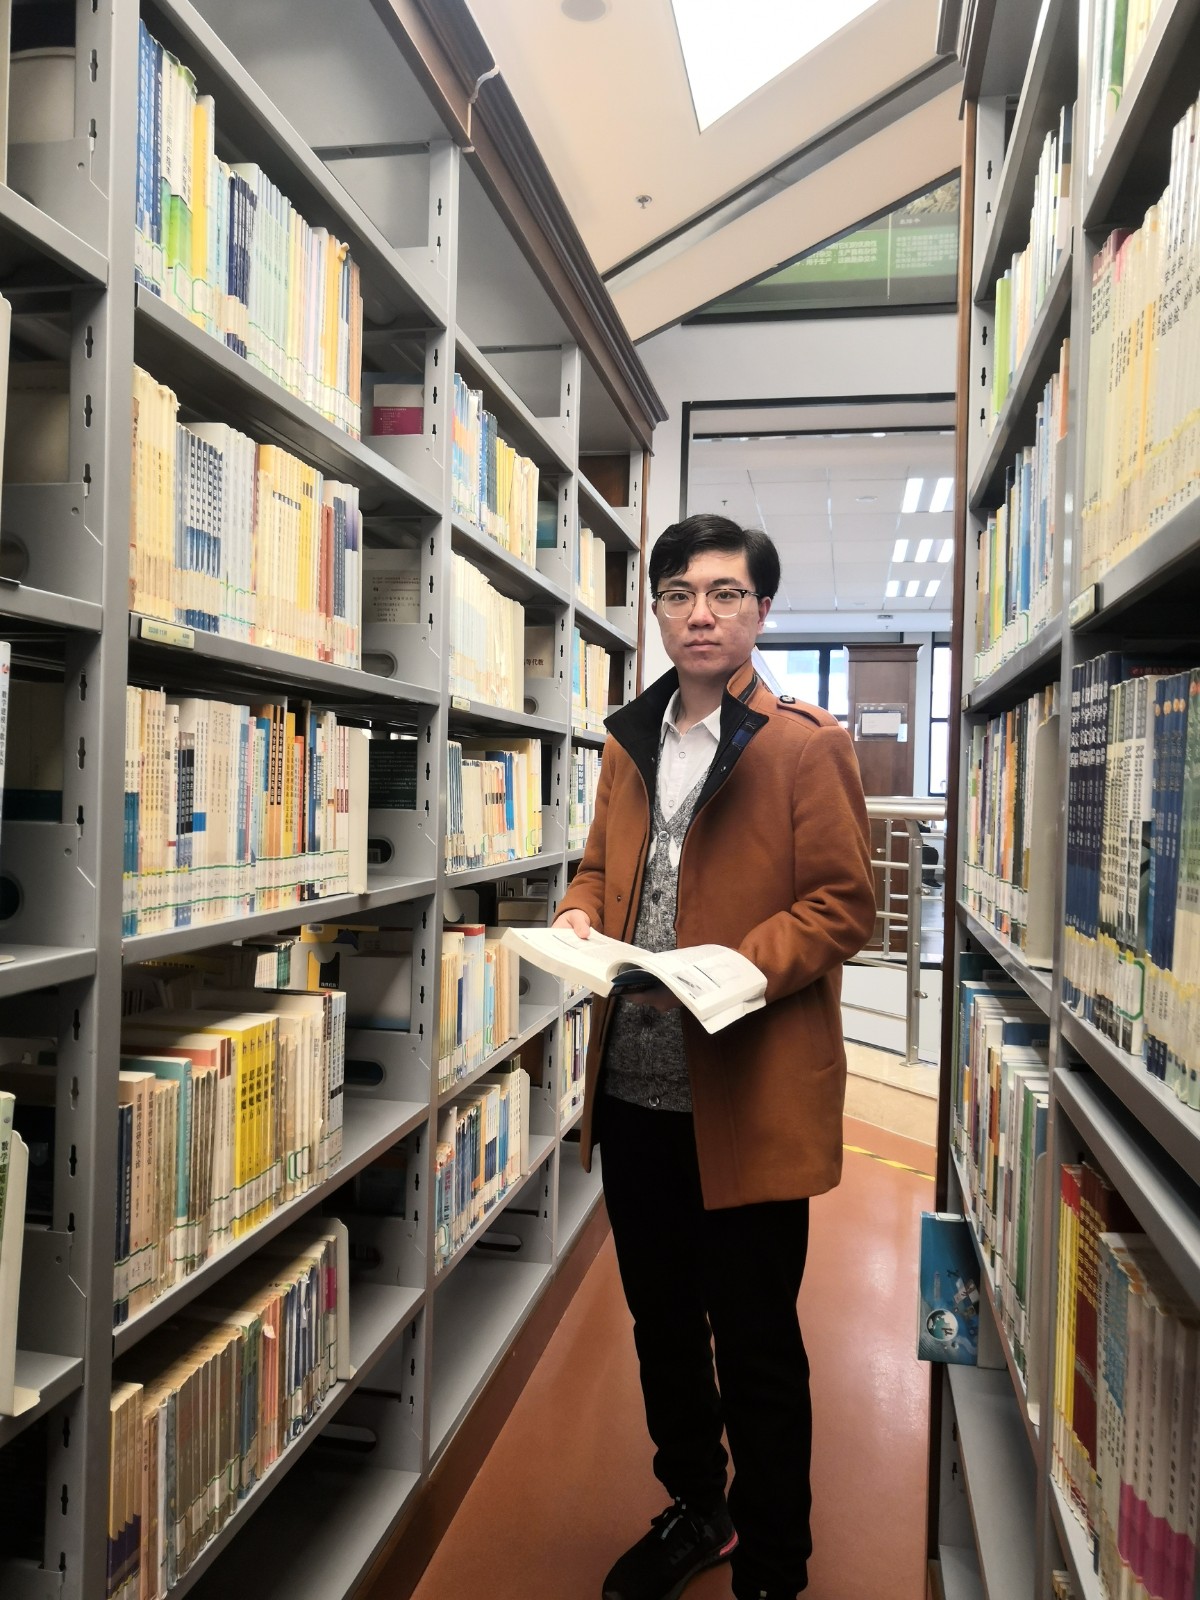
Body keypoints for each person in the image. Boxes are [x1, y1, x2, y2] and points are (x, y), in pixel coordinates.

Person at [551, 514, 877, 1600]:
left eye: (726, 593)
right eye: (680, 593)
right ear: (656, 609)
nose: (701, 613)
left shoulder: (805, 745)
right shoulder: (627, 742)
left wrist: (742, 965)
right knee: (661, 1328)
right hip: (634, 1092)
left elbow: (844, 905)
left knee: (757, 1344)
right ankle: (700, 1507)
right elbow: (599, 869)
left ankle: (776, 1566)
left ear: (760, 611)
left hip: (746, 1097)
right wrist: (580, 913)